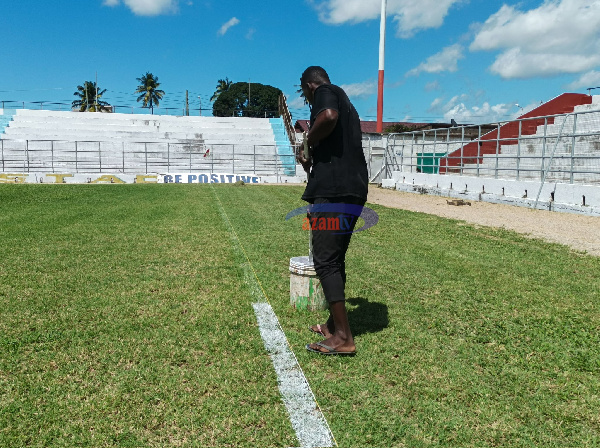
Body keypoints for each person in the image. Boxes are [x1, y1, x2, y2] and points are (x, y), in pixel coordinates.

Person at [297, 66, 368, 356]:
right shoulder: (345, 99)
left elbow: (327, 117)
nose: (305, 98)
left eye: (303, 92)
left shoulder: (325, 93)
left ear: (309, 85)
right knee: (335, 259)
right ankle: (332, 325)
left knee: (325, 260)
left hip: (335, 190)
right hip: (353, 188)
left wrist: (306, 142)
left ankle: (343, 337)